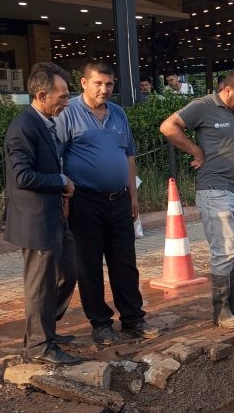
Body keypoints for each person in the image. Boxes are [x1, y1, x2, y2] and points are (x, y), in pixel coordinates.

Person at [56, 60, 160, 345]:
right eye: (98, 83)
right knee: (89, 265)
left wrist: (133, 196)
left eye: (109, 84)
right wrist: (64, 200)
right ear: (84, 83)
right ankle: (100, 323)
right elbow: (58, 159)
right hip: (84, 202)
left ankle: (133, 318)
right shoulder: (68, 113)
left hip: (119, 200)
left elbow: (128, 156)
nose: (104, 89)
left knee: (125, 261)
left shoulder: (117, 114)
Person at [159, 67, 234, 329]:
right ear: (227, 90)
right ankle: (221, 310)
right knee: (225, 251)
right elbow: (168, 126)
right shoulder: (202, 106)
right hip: (215, 191)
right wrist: (195, 150)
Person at [3, 62, 81, 365]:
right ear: (42, 94)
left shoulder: (44, 123)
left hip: (53, 217)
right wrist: (60, 181)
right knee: (40, 285)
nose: (66, 102)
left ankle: (45, 328)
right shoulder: (23, 127)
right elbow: (22, 176)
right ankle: (39, 347)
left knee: (70, 271)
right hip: (35, 221)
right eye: (62, 97)